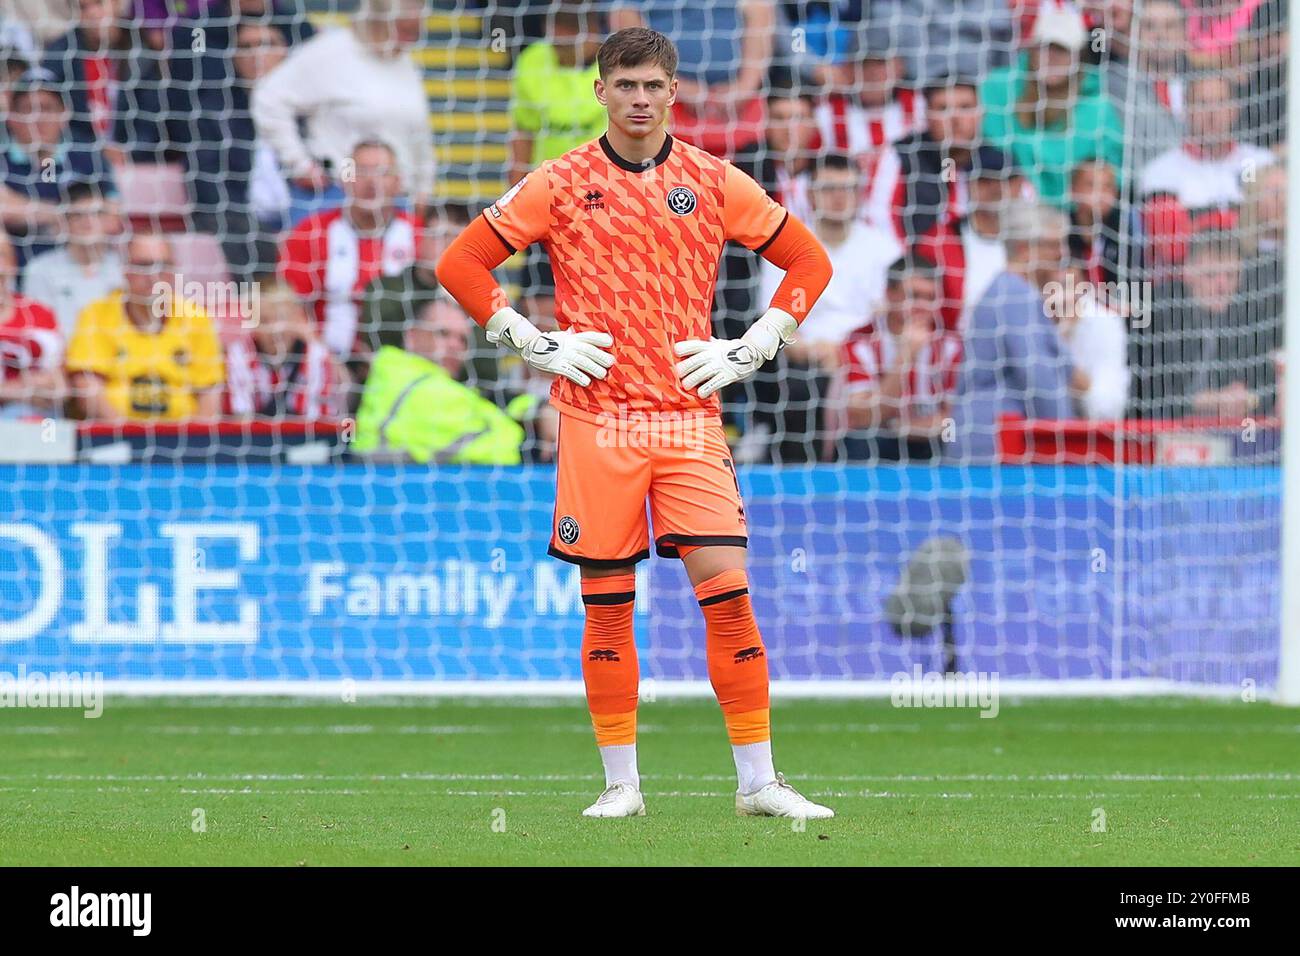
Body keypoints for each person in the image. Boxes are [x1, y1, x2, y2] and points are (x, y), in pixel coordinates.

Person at [436, 27, 835, 819]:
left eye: (654, 86)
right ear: (601, 92)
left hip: (689, 420)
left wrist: (758, 342)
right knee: (609, 605)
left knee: (729, 594)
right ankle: (622, 786)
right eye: (626, 86)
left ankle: (759, 783)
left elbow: (812, 261)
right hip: (596, 421)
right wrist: (528, 337)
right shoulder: (559, 180)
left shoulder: (717, 181)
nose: (641, 99)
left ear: (674, 90)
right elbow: (460, 263)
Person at [251, 0, 433, 224]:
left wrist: (423, 189)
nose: (411, 39)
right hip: (332, 196)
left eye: (416, 31)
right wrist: (299, 164)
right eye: (404, 29)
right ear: (379, 20)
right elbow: (269, 98)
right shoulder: (331, 52)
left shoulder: (405, 65)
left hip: (396, 203)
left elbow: (419, 135)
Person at [946, 203, 1076, 461]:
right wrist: (1070, 438)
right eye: (1052, 245)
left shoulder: (1008, 290)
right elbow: (1037, 375)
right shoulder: (1016, 295)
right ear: (1025, 249)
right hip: (992, 441)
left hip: (991, 437)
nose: (1062, 253)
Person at [278, 140, 419, 361]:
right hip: (328, 363)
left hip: (407, 364)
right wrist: (323, 359)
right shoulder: (310, 233)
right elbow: (289, 308)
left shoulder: (420, 234)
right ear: (345, 179)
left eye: (382, 173)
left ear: (398, 182)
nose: (371, 182)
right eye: (361, 172)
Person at [66, 232, 224, 420]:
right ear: (125, 271)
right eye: (143, 266)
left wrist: (195, 442)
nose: (153, 276)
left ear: (174, 272)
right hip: (115, 436)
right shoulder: (96, 315)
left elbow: (210, 392)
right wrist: (126, 435)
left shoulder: (196, 319)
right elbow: (87, 387)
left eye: (162, 266)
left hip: (183, 440)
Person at [979, 2, 1123, 208]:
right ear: (1032, 51)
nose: (1052, 57)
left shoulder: (1098, 107)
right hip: (1009, 206)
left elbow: (1115, 170)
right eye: (1045, 47)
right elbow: (989, 151)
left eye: (1062, 50)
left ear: (1078, 57)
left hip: (1076, 217)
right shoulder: (999, 88)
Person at [353, 299, 526, 465]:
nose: (454, 345)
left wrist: (537, 408)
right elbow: (503, 450)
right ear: (412, 336)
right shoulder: (416, 385)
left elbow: (487, 406)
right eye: (443, 333)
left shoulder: (399, 375)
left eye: (462, 340)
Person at [840, 253, 962, 461]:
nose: (923, 306)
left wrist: (906, 428)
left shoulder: (951, 346)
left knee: (956, 438)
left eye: (930, 298)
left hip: (930, 440)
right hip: (882, 441)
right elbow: (863, 417)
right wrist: (905, 356)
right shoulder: (860, 343)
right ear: (890, 294)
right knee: (861, 440)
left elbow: (956, 418)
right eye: (914, 296)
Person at [224, 278, 345, 419]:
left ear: (297, 316)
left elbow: (318, 421)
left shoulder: (316, 355)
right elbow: (241, 419)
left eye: (282, 318)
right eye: (264, 320)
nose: (275, 330)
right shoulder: (239, 355)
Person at [21, 181, 124, 339]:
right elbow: (39, 330)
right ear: (64, 222)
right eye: (77, 215)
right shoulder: (40, 269)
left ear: (109, 221)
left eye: (96, 213)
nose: (87, 222)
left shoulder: (125, 268)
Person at [0, 230, 65, 419]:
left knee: (42, 423)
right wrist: (16, 390)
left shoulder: (39, 314)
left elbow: (59, 388)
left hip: (32, 420)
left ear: (12, 264)